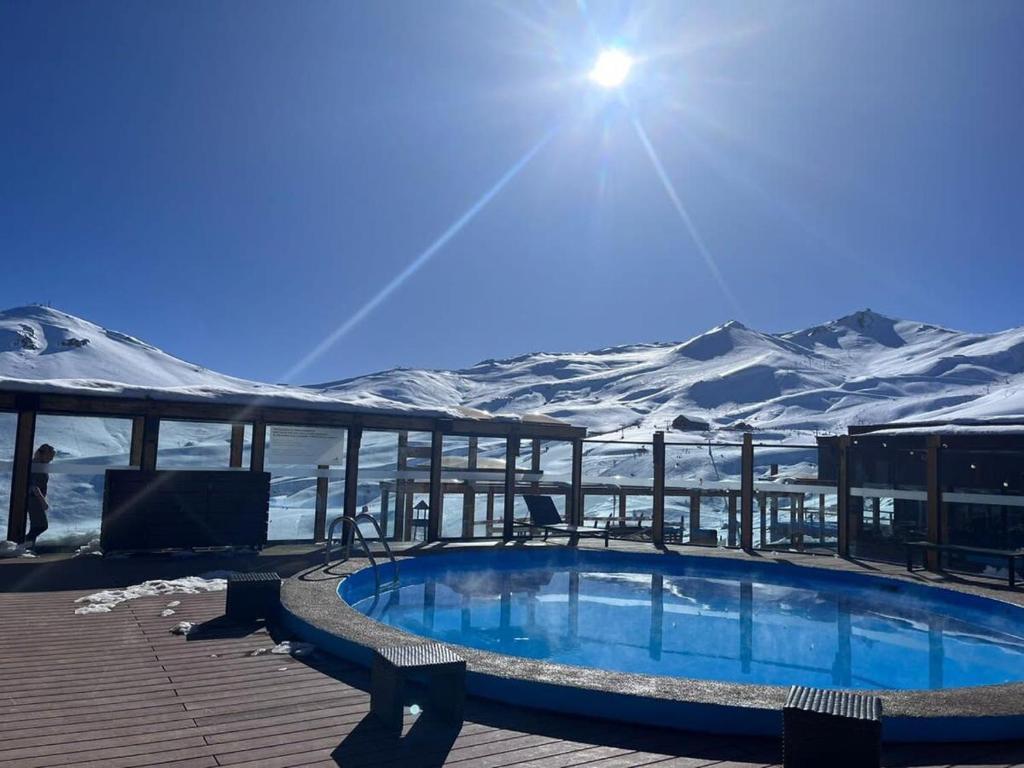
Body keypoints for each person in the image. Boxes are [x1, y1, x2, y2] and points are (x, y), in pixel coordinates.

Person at [25, 443, 55, 549]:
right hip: (34, 499)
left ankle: (28, 547)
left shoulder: (39, 465)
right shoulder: (37, 467)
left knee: (36, 526)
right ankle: (25, 545)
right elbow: (34, 486)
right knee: (41, 526)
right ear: (43, 454)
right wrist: (43, 501)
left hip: (34, 498)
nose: (51, 458)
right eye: (50, 455)